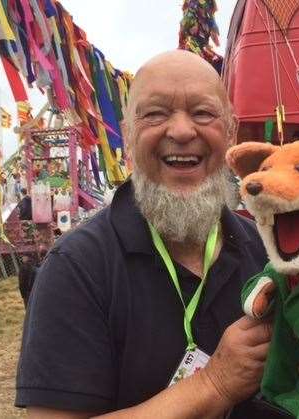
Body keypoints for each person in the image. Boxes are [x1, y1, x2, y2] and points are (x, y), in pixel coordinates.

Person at [16, 50, 272, 418]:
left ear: (230, 132)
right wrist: (213, 383)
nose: (182, 131)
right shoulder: (76, 267)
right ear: (129, 134)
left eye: (203, 112)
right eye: (156, 113)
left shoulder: (267, 250)